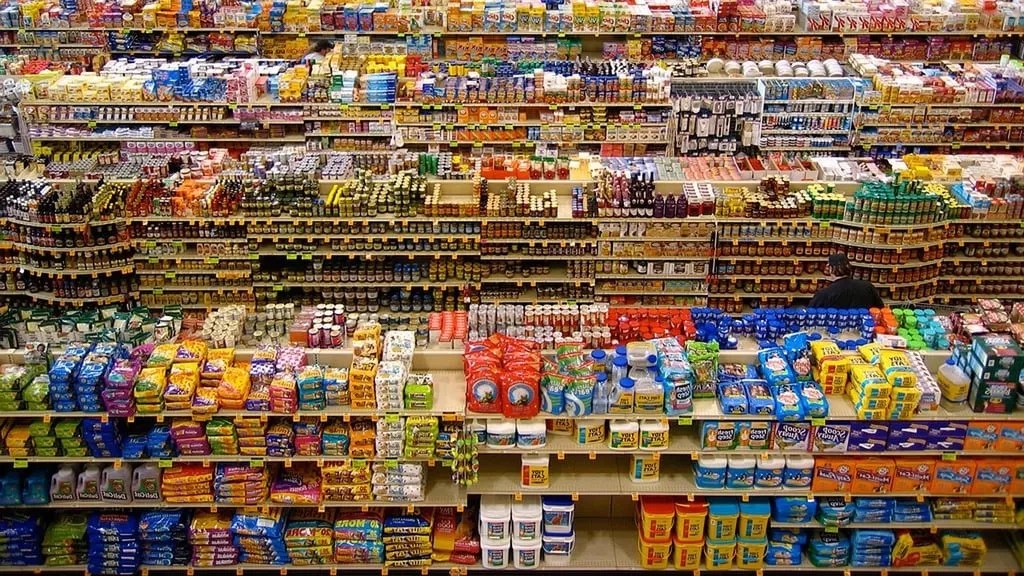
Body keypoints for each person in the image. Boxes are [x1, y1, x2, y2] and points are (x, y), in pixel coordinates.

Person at [808, 253, 884, 309]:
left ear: (830, 269)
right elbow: (881, 308)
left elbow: (810, 313)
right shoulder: (868, 287)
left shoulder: (824, 294)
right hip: (863, 328)